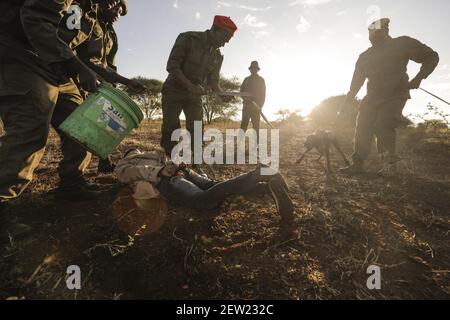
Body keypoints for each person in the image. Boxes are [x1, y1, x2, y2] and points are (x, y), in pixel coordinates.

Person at [0, 0, 99, 238]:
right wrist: (77, 67)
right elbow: (34, 20)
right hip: (19, 53)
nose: (117, 7)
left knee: (81, 123)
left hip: (56, 67)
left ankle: (71, 183)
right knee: (31, 124)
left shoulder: (91, 14)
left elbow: (85, 56)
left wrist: (119, 80)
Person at [338, 18, 439, 174]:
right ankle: (357, 163)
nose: (373, 37)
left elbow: (432, 56)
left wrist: (419, 77)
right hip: (371, 97)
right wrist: (345, 105)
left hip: (395, 95)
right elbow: (355, 84)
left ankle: (389, 166)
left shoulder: (402, 43)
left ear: (386, 31)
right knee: (363, 126)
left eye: (377, 32)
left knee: (383, 125)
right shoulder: (365, 56)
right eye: (371, 33)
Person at [115, 149, 294, 228]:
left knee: (203, 200)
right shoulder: (153, 154)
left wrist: (159, 171)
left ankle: (259, 174)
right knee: (214, 186)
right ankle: (263, 187)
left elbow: (126, 173)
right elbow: (173, 162)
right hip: (181, 171)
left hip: (166, 179)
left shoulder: (127, 161)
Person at [75, 0, 146, 174]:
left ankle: (103, 161)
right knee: (83, 128)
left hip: (100, 82)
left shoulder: (110, 33)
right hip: (81, 79)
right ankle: (74, 177)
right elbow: (89, 60)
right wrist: (124, 80)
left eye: (120, 12)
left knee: (104, 123)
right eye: (114, 7)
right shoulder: (90, 22)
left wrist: (119, 82)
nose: (117, 13)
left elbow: (108, 63)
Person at [160, 15, 237, 161]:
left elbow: (214, 82)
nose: (225, 43)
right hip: (173, 90)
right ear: (215, 29)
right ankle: (171, 164)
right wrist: (190, 86)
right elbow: (172, 66)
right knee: (171, 129)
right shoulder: (188, 38)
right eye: (225, 37)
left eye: (229, 40)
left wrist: (222, 94)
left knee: (196, 130)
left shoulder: (218, 56)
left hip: (194, 96)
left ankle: (197, 164)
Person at [240, 61, 266, 142]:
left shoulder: (261, 80)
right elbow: (241, 92)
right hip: (246, 106)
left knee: (256, 127)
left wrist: (260, 106)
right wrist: (245, 98)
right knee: (243, 126)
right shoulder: (246, 80)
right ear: (250, 69)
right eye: (252, 68)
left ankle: (256, 146)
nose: (253, 70)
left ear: (257, 70)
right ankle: (239, 144)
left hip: (256, 107)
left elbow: (263, 94)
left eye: (255, 68)